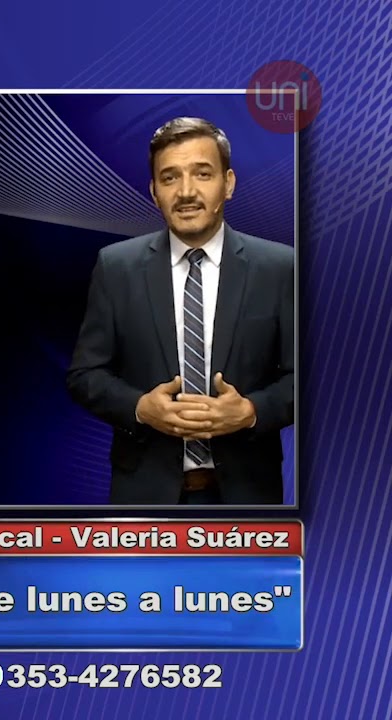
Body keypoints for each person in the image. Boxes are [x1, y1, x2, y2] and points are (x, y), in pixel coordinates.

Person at [66, 117, 294, 505]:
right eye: (170, 178)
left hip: (248, 496)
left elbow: (308, 378)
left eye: (202, 174)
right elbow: (84, 375)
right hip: (144, 497)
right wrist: (139, 408)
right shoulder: (116, 267)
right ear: (154, 192)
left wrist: (251, 410)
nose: (186, 192)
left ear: (228, 183)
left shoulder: (280, 267)